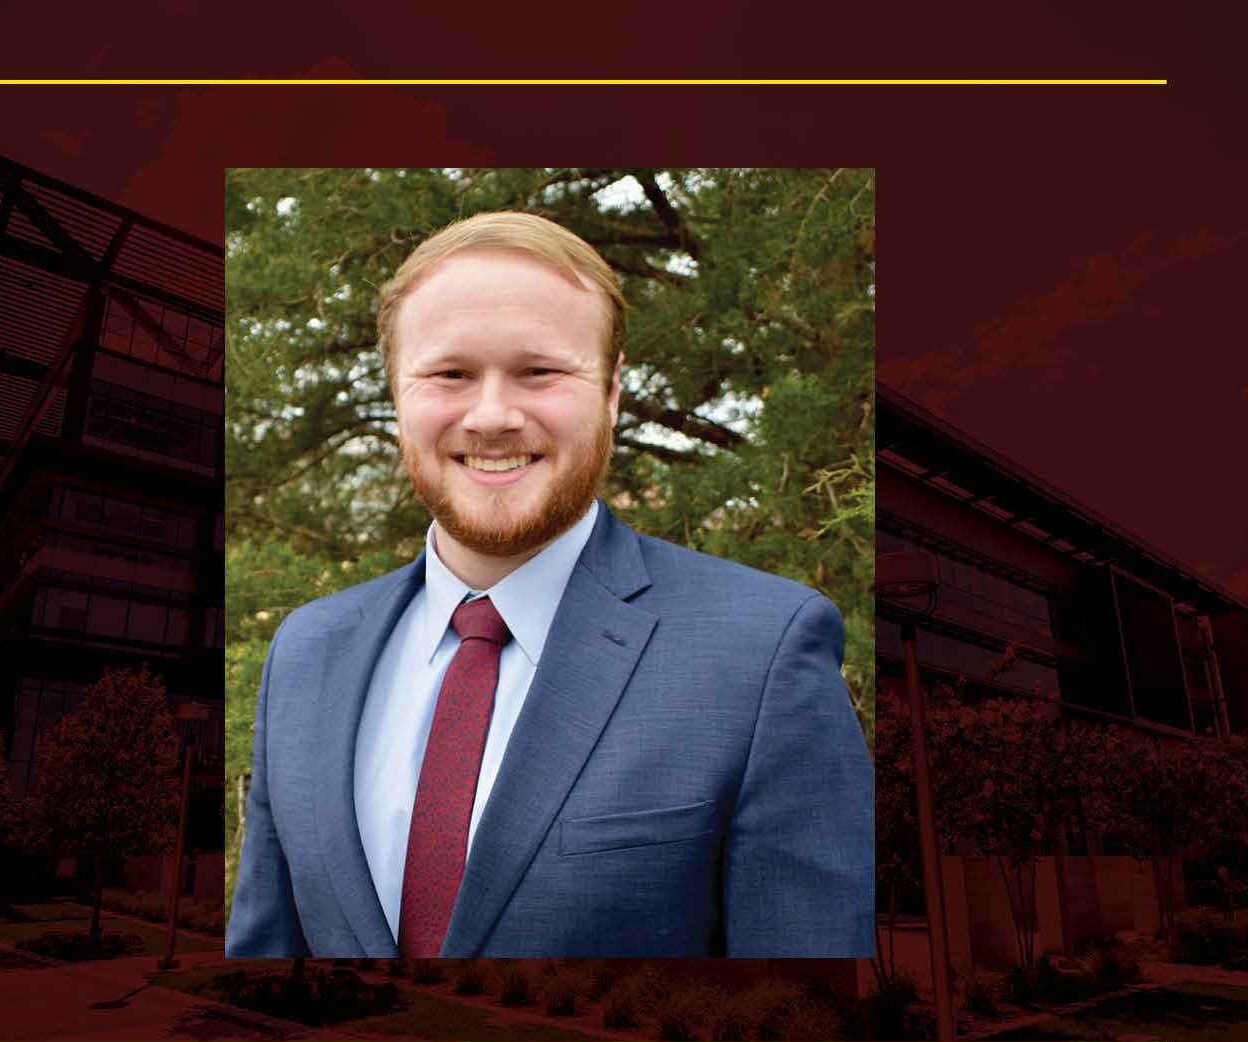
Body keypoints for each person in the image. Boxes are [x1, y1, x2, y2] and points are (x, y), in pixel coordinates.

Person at [227, 210, 873, 958]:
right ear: (397, 393)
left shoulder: (764, 650)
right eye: (450, 373)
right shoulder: (305, 652)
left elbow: (802, 1024)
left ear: (611, 392)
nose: (493, 415)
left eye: (539, 372)